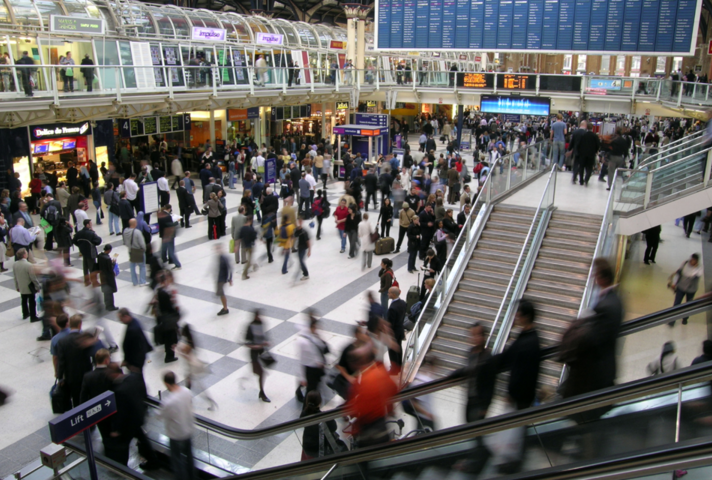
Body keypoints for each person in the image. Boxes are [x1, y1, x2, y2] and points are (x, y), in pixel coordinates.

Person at [560, 258, 623, 399]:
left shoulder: (606, 306)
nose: (593, 277)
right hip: (601, 369)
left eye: (596, 274)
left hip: (595, 372)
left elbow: (595, 340)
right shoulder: (613, 300)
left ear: (603, 278)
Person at [346, 344, 399, 447]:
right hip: (382, 426)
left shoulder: (364, 380)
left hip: (369, 433)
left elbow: (359, 410)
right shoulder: (381, 371)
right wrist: (390, 408)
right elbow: (393, 389)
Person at [493, 299, 541, 411]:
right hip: (521, 398)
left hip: (520, 400)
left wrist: (512, 394)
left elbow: (523, 372)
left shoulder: (528, 342)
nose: (516, 315)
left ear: (526, 316)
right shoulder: (527, 336)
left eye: (518, 313)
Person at [157, 371, 196, 480]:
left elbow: (159, 415)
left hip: (176, 435)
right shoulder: (187, 392)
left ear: (166, 384)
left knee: (178, 462)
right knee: (189, 458)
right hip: (188, 430)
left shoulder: (168, 402)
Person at [56, 314, 95, 407]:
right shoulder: (85, 338)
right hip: (86, 373)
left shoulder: (62, 342)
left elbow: (61, 362)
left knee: (76, 398)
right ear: (80, 324)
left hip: (71, 376)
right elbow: (93, 355)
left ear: (69, 324)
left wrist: (60, 377)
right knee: (89, 397)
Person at [177, 324, 217, 409]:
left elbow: (187, 356)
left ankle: (208, 400)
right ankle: (189, 399)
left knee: (196, 386)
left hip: (191, 367)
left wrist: (178, 351)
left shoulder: (188, 344)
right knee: (190, 384)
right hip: (192, 366)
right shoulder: (191, 340)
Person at [296, 316, 330, 401]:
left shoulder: (312, 336)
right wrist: (302, 378)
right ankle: (307, 409)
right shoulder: (303, 341)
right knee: (311, 391)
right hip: (310, 369)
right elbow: (301, 360)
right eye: (315, 327)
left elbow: (320, 348)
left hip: (315, 368)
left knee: (314, 390)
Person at [300, 390, 340, 460]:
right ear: (319, 402)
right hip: (320, 450)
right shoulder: (324, 417)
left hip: (307, 447)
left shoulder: (304, 414)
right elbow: (334, 427)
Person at [669, 253, 703, 326]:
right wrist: (674, 283)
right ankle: (672, 320)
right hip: (681, 287)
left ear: (697, 261)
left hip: (691, 289)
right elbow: (679, 273)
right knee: (676, 304)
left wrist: (694, 268)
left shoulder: (699, 268)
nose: (691, 261)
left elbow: (694, 276)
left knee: (688, 304)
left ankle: (685, 318)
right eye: (691, 259)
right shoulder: (685, 263)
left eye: (694, 260)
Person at [153, 271, 180, 363]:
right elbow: (169, 306)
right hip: (169, 318)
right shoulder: (164, 293)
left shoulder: (159, 291)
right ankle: (169, 356)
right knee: (171, 338)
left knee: (170, 337)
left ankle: (168, 351)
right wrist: (176, 313)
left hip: (164, 317)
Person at [245, 311, 271, 402]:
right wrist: (258, 345)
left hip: (261, 353)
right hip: (254, 354)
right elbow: (247, 342)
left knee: (260, 373)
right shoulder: (250, 326)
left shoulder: (261, 324)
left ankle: (262, 392)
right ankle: (262, 393)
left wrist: (264, 343)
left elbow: (263, 336)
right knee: (260, 373)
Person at [118, 308, 152, 373]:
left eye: (121, 318)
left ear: (126, 316)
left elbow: (131, 347)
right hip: (136, 359)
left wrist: (127, 361)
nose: (120, 321)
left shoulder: (132, 329)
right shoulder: (134, 322)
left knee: (136, 377)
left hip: (135, 361)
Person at [13, 248, 40, 322]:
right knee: (32, 301)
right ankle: (33, 316)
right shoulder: (29, 265)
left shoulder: (15, 264)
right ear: (24, 255)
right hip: (29, 286)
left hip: (21, 286)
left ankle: (25, 314)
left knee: (24, 300)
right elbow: (33, 278)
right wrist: (38, 286)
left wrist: (17, 286)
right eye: (26, 253)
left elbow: (15, 277)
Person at [73, 219, 102, 286]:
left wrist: (80, 245)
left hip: (83, 251)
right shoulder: (91, 233)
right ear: (87, 225)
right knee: (92, 267)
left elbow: (74, 241)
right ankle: (94, 282)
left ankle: (86, 281)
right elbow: (98, 240)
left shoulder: (79, 233)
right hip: (90, 252)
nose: (91, 225)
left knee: (85, 266)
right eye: (90, 224)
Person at [386, 287, 407, 374]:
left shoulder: (392, 308)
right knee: (399, 348)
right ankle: (399, 366)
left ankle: (394, 370)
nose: (388, 294)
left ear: (393, 295)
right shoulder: (403, 303)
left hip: (393, 333)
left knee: (392, 351)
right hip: (400, 330)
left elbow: (391, 323)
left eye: (389, 293)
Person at [158, 204, 181, 270]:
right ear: (169, 209)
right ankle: (177, 264)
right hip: (169, 235)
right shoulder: (167, 216)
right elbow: (170, 225)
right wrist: (177, 222)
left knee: (163, 249)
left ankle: (164, 260)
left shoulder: (160, 215)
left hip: (164, 235)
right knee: (171, 250)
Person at [97, 244, 118, 311]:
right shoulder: (107, 259)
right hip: (108, 277)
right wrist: (113, 263)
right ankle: (111, 306)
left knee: (106, 292)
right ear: (109, 250)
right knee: (110, 292)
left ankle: (107, 305)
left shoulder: (100, 256)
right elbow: (110, 268)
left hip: (102, 276)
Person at [215, 243, 232, 316]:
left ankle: (225, 308)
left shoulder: (223, 258)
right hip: (220, 277)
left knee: (221, 293)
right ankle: (225, 307)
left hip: (222, 279)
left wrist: (229, 279)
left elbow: (229, 268)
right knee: (221, 293)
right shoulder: (220, 257)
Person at [239, 215, 257, 280]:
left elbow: (240, 236)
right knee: (249, 261)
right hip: (250, 246)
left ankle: (254, 265)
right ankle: (244, 274)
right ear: (250, 221)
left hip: (244, 246)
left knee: (249, 258)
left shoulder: (242, 228)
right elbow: (254, 238)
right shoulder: (251, 229)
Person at [294, 215, 312, 281]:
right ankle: (304, 272)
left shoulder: (304, 231)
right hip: (299, 247)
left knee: (301, 260)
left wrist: (309, 250)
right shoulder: (297, 230)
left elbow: (308, 241)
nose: (299, 222)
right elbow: (294, 236)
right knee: (300, 260)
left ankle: (306, 274)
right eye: (298, 221)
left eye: (300, 221)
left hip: (303, 248)